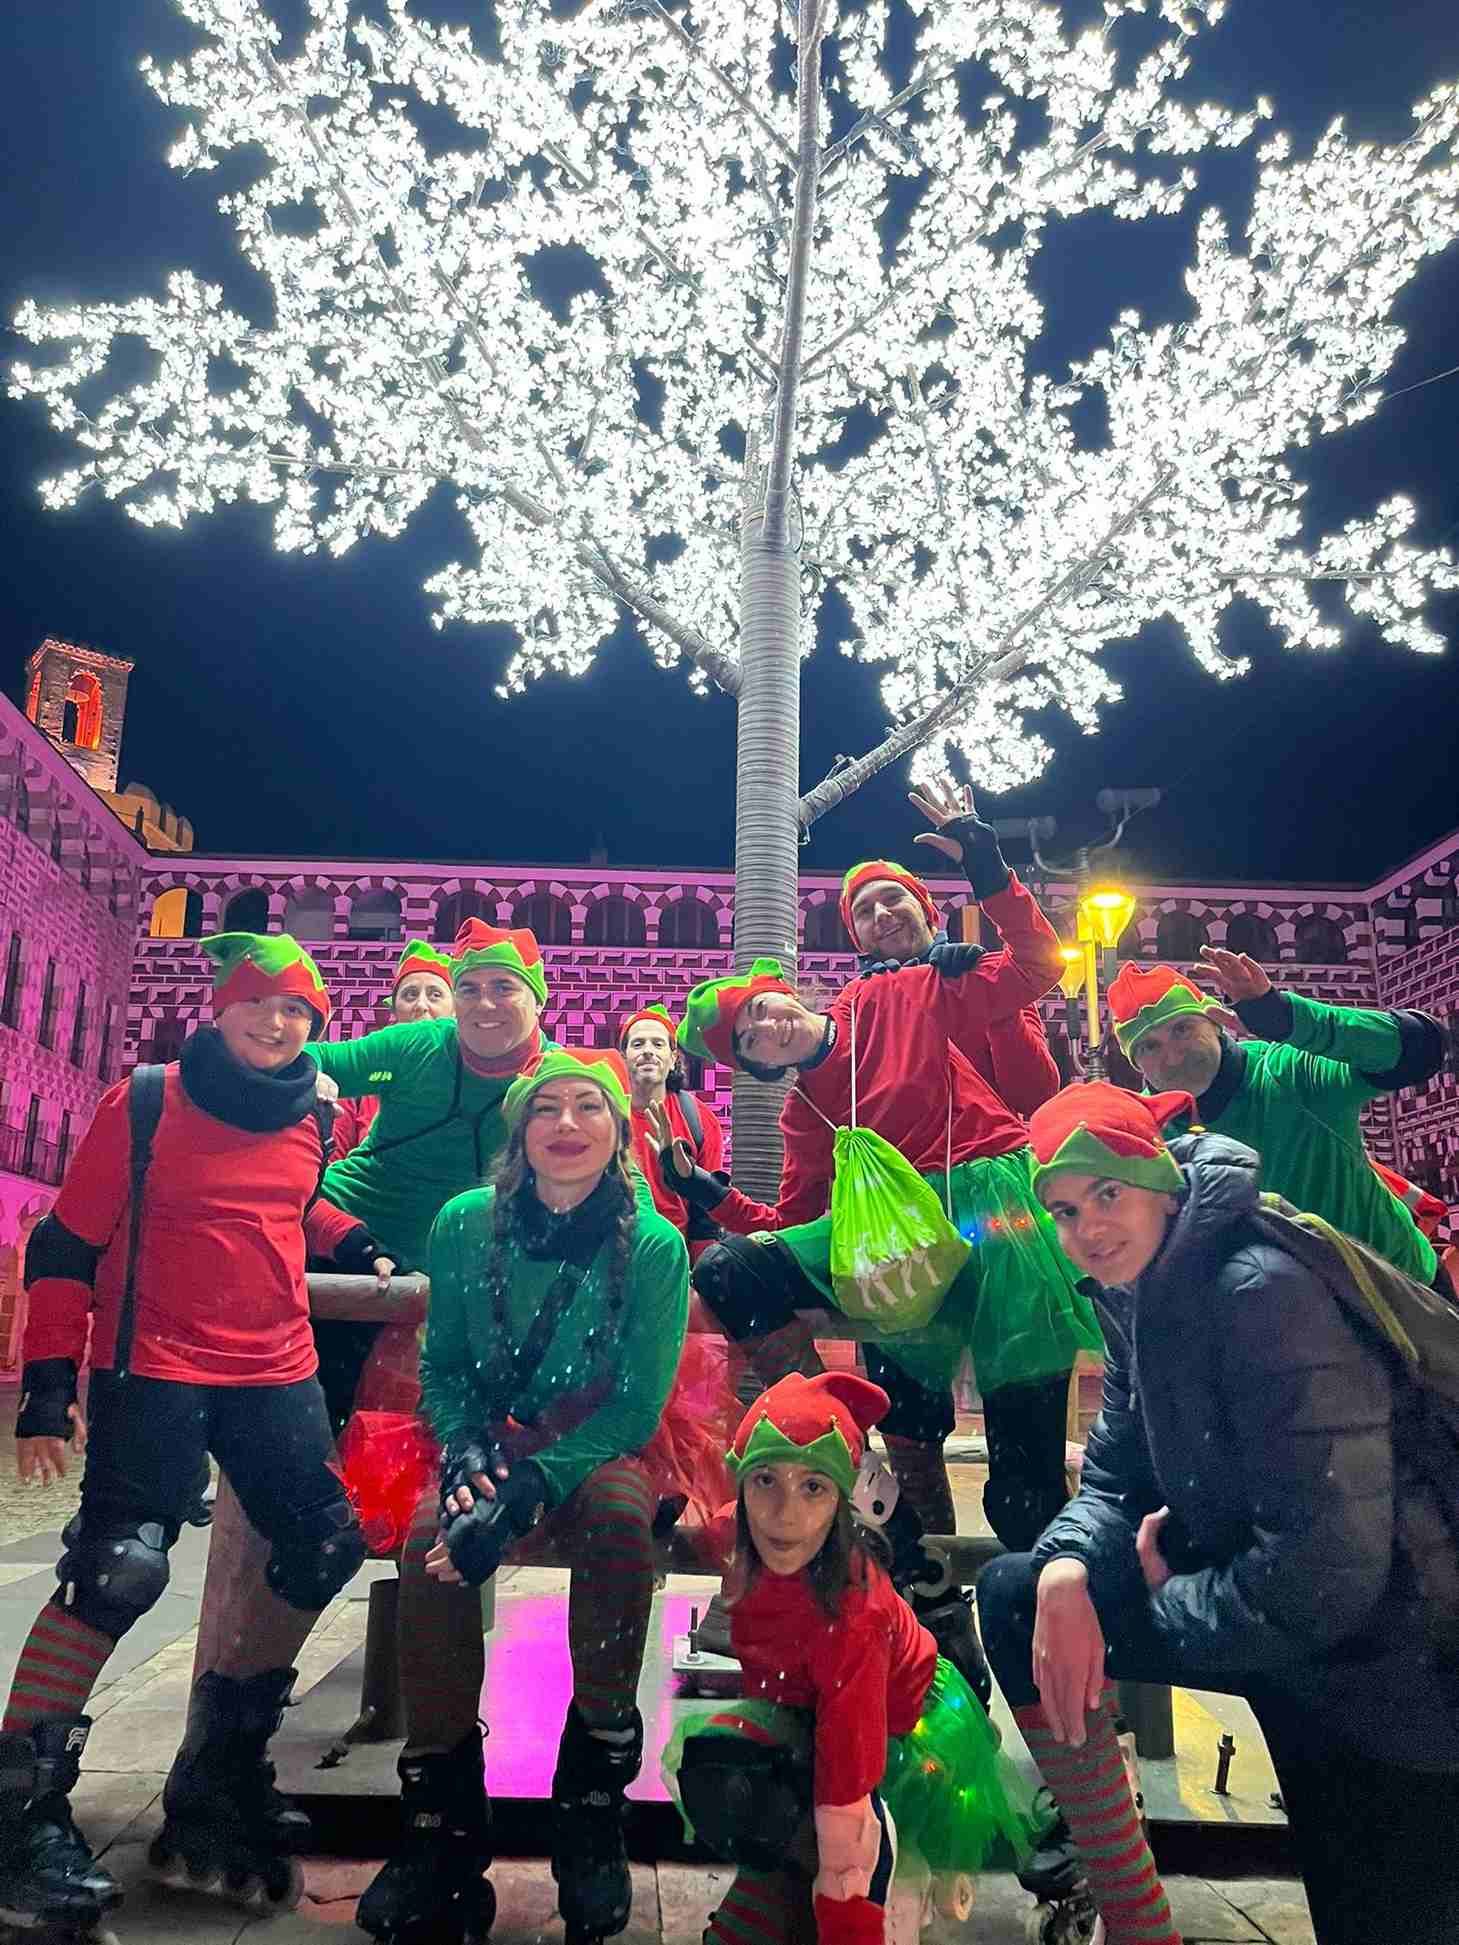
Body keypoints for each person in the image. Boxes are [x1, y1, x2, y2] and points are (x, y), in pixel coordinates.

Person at [977, 1081, 1459, 1945]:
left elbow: (1330, 1570)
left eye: (1106, 1193)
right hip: (1263, 1614)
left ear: (1158, 1177)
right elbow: (1117, 1469)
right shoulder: (1137, 1290)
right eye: (1062, 1209)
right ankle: (1134, 1918)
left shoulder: (1257, 1289)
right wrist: (1066, 1566)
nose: (1085, 1227)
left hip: (1383, 1661)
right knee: (1018, 1594)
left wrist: (1164, 1600)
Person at [1, 935, 371, 1934]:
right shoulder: (148, 1101)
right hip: (152, 1362)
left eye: (298, 1009)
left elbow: (295, 1205)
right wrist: (46, 1388)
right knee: (119, 1569)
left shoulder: (315, 1112)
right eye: (259, 1002)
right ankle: (17, 1809)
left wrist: (354, 1242)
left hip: (274, 1363)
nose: (277, 1021)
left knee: (327, 1542)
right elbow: (67, 1240)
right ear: (218, 1007)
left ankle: (219, 1759)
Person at [665, 794, 1101, 1571]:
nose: (766, 1030)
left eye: (761, 1012)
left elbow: (1037, 967)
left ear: (785, 994)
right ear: (758, 1067)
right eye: (748, 1043)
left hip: (996, 1221)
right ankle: (840, 1441)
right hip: (902, 1244)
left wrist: (987, 870)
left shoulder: (900, 990)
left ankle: (1051, 1643)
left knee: (1023, 1492)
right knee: (737, 1273)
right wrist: (712, 1198)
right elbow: (795, 1218)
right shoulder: (803, 1107)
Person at [355, 1049, 689, 1945]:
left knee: (622, 1525)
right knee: (433, 1537)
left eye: (590, 1107)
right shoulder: (465, 1222)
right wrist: (467, 1450)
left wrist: (534, 1483)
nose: (568, 1125)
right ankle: (441, 1819)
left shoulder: (653, 1244)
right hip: (491, 1432)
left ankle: (592, 1796)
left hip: (598, 1442)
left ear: (619, 1130)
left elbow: (634, 1401)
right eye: (547, 1108)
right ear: (519, 1128)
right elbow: (445, 1360)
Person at [667, 1371, 1038, 1945]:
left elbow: (850, 1771)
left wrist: (846, 1896)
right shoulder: (747, 1543)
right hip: (808, 1707)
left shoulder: (851, 1618)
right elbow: (715, 1524)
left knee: (841, 1836)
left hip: (896, 1730)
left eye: (813, 1487)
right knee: (727, 1768)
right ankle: (782, 1876)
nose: (785, 1514)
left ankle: (868, 1882)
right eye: (765, 1480)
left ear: (842, 1502)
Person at [837, 782, 1064, 1555]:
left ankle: (1038, 1591)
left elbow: (1034, 1091)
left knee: (1022, 1407)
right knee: (905, 1421)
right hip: (904, 1211)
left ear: (929, 913)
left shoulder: (968, 976)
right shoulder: (852, 1010)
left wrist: (989, 878)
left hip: (993, 1197)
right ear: (855, 937)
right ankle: (929, 1601)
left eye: (894, 899)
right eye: (863, 910)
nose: (881, 914)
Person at [307, 918, 555, 1431]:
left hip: (452, 1272)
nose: (484, 1004)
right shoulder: (417, 1044)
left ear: (539, 1000)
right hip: (343, 1239)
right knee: (317, 1420)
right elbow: (312, 1054)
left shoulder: (555, 1079)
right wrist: (311, 1080)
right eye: (469, 988)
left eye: (503, 987)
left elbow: (619, 1178)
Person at [1109, 949, 1445, 1285]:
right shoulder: (1146, 1137)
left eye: (1182, 1029)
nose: (1172, 1054)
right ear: (1136, 1063)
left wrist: (1285, 1018)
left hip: (1402, 1295)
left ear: (1215, 1023)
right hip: (1282, 1321)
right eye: (1149, 1047)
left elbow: (1418, 1047)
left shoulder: (1288, 1073)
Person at [331, 939, 457, 1160]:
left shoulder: (473, 1078)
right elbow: (333, 1165)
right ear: (394, 1011)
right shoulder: (359, 1085)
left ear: (455, 1010)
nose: (420, 1005)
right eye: (409, 995)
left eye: (435, 995)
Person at [620, 1002, 726, 1256]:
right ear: (623, 1057)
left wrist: (698, 1282)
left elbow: (707, 1212)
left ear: (672, 1058)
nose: (647, 1051)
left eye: (658, 1044)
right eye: (638, 1044)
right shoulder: (603, 1113)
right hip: (611, 1252)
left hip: (675, 1257)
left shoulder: (700, 1120)